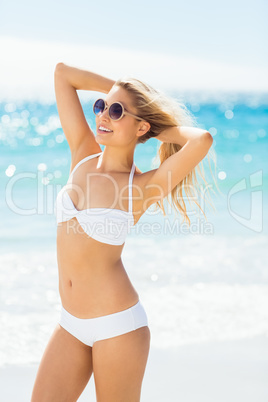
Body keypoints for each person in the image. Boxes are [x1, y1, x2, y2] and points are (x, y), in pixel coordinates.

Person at [31, 62, 214, 402]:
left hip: (119, 327)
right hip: (70, 322)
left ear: (141, 126)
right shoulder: (83, 154)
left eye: (116, 112)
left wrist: (154, 127)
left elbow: (201, 140)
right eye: (101, 106)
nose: (103, 116)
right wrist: (117, 89)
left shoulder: (143, 187)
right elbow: (62, 75)